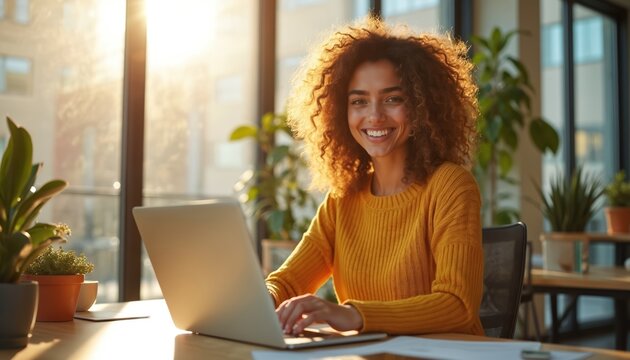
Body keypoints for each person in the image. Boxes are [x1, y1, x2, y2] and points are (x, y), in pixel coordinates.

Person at [265, 16, 484, 337]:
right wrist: (261, 301)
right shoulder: (343, 199)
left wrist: (353, 315)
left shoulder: (450, 186)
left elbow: (458, 305)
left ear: (423, 107)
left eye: (393, 99)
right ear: (341, 112)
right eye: (359, 101)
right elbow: (286, 282)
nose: (375, 115)